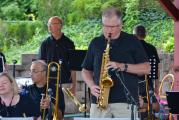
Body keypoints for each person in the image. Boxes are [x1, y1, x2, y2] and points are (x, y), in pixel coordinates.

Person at [81, 7, 151, 118]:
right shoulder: (95, 43)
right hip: (99, 102)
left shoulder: (132, 41)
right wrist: (91, 85)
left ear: (120, 25)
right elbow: (85, 70)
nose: (108, 30)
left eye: (112, 27)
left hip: (125, 102)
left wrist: (122, 66)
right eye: (105, 26)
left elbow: (147, 68)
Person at [38, 16, 76, 94]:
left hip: (65, 82)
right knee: (50, 106)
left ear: (59, 26)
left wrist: (74, 85)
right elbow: (41, 65)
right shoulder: (44, 44)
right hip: (49, 83)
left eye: (51, 24)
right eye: (48, 24)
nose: (49, 26)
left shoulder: (69, 43)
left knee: (66, 106)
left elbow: (73, 66)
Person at [133, 24, 160, 119]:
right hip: (148, 84)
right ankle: (145, 107)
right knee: (156, 107)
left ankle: (142, 106)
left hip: (133, 84)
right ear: (145, 35)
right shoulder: (151, 48)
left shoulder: (131, 48)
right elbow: (156, 69)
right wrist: (157, 86)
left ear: (134, 35)